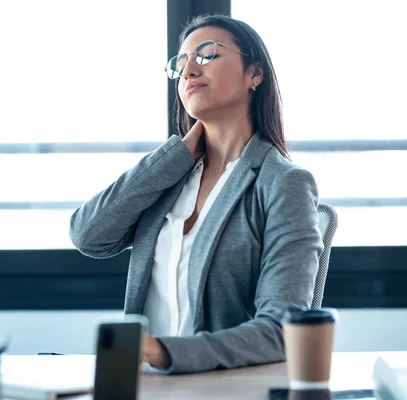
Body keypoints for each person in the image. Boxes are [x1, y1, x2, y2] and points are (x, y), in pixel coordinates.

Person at [69, 14, 323, 374]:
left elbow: (281, 330)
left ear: (255, 74)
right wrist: (172, 159)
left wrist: (161, 350)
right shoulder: (169, 178)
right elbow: (89, 236)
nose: (188, 71)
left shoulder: (283, 184)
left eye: (206, 55)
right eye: (181, 64)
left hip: (219, 386)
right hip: (144, 383)